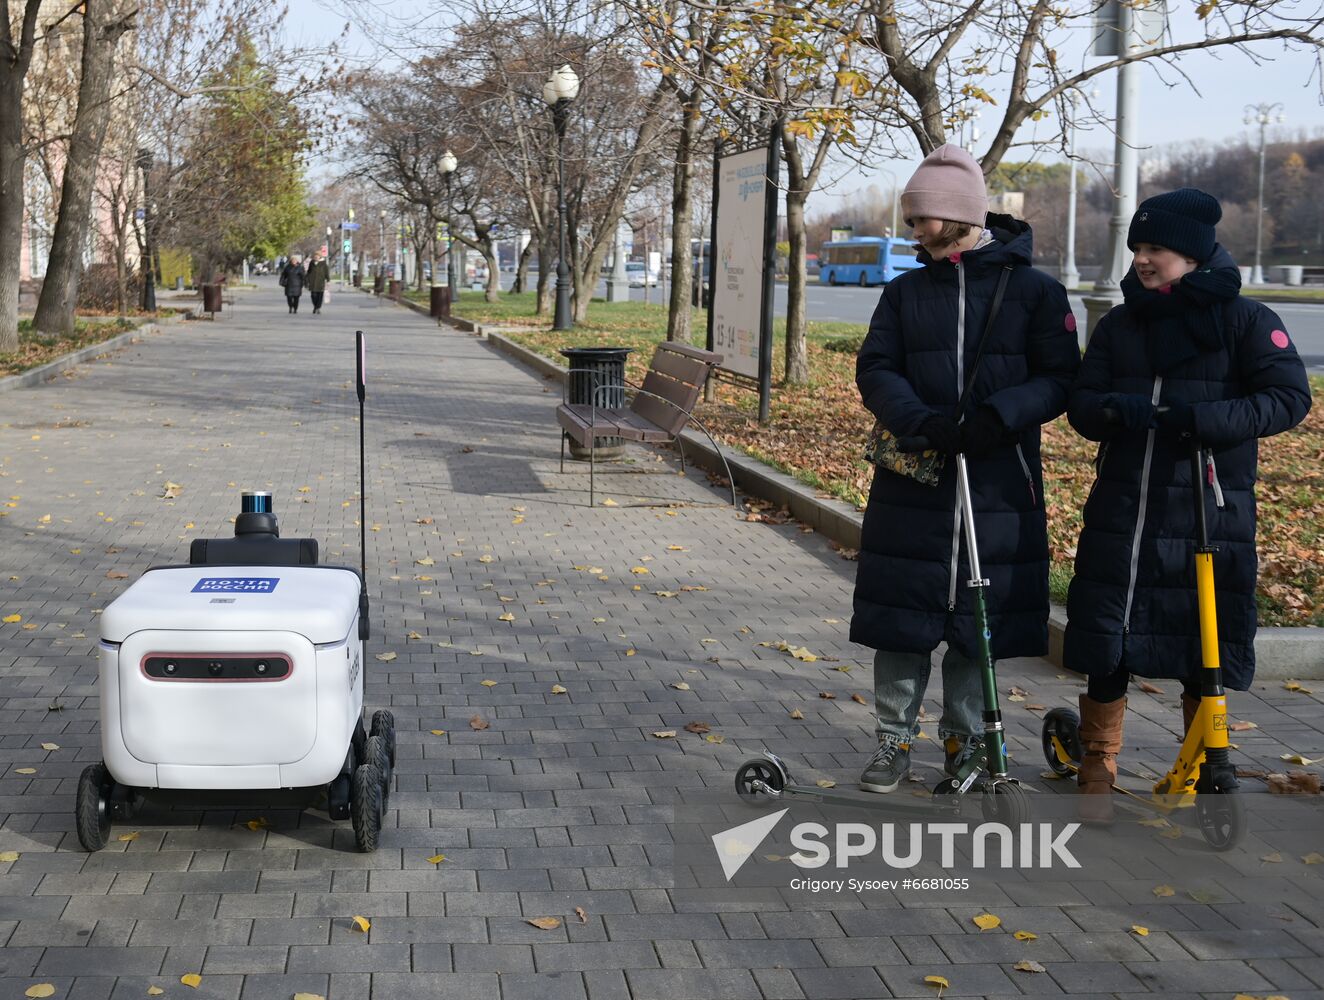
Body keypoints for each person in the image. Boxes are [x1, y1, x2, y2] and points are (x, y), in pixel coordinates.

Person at [1064, 188, 1310, 823]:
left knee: (1203, 641)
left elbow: (1287, 398)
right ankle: (1098, 760)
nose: (1142, 260)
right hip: (1125, 508)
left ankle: (1204, 760)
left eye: (1157, 249)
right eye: (1138, 248)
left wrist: (1202, 419)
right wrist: (1115, 410)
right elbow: (1083, 402)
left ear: (1195, 257)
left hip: (1208, 511)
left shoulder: (1246, 321)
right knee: (1109, 640)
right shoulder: (1121, 323)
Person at [852, 144, 1081, 793]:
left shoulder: (1035, 293)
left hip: (997, 482)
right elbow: (875, 367)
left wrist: (996, 417)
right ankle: (893, 742)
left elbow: (1060, 377)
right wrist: (918, 420)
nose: (913, 230)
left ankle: (962, 742)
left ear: (955, 216)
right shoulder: (904, 293)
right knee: (902, 619)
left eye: (921, 219)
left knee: (973, 623)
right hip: (914, 482)